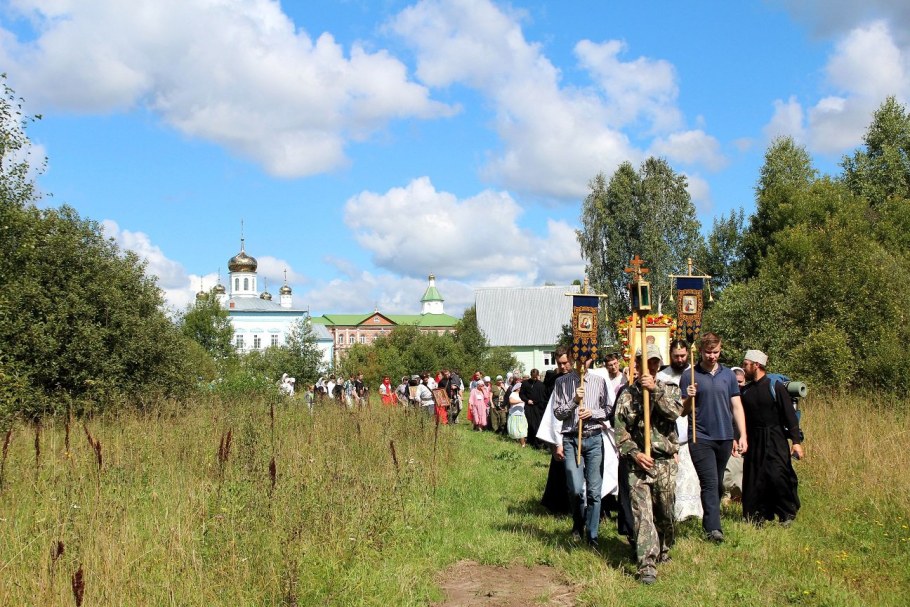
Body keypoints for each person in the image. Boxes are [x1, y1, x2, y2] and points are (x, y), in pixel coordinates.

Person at [615, 344, 686, 584]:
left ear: (659, 364)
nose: (650, 366)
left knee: (665, 511)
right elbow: (619, 431)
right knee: (642, 515)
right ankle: (647, 564)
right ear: (636, 364)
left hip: (664, 460)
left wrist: (654, 390)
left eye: (654, 362)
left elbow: (675, 413)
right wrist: (635, 454)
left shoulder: (670, 389)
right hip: (638, 464)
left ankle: (664, 547)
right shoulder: (626, 395)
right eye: (645, 362)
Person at [679, 332, 747, 543]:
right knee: (709, 482)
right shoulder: (690, 375)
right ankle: (713, 529)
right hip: (700, 437)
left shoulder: (728, 375)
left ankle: (710, 517)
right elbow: (682, 410)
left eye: (716, 352)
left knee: (718, 484)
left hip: (725, 436)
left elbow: (736, 406)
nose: (712, 356)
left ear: (720, 350)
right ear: (700, 351)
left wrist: (743, 434)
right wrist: (689, 397)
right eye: (708, 352)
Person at [552, 346, 613, 549]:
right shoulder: (562, 382)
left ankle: (592, 534)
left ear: (590, 361)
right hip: (571, 439)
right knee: (577, 489)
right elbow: (558, 413)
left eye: (586, 360)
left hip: (594, 439)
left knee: (595, 491)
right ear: (573, 359)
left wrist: (593, 413)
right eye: (578, 359)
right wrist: (574, 402)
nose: (582, 363)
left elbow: (608, 410)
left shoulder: (598, 381)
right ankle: (578, 524)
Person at [740, 350, 804, 525]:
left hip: (775, 437)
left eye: (746, 364)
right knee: (755, 478)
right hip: (754, 439)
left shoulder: (775, 386)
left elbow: (789, 415)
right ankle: (755, 516)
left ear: (756, 365)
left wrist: (796, 442)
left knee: (778, 475)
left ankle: (787, 514)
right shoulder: (746, 391)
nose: (744, 368)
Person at [656, 340, 703, 522]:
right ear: (670, 355)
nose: (680, 359)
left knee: (693, 476)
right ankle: (675, 513)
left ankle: (693, 512)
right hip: (671, 431)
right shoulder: (662, 376)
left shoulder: (695, 373)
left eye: (683, 355)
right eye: (676, 356)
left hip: (694, 431)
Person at [520, 369, 547, 448]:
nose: (534, 378)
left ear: (538, 375)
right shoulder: (525, 383)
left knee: (537, 424)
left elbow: (543, 397)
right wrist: (527, 400)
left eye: (536, 377)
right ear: (531, 375)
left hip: (538, 407)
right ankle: (531, 441)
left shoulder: (541, 385)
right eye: (533, 377)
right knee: (530, 424)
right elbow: (522, 394)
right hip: (529, 407)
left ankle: (538, 443)